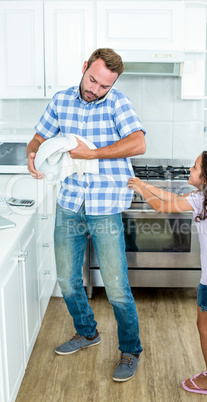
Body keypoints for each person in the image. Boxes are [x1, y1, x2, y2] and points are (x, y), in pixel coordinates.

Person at [27, 48, 146, 382]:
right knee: (65, 278)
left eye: (104, 86)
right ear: (84, 68)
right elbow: (38, 137)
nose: (95, 90)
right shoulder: (61, 100)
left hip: (105, 203)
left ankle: (130, 350)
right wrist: (32, 154)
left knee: (117, 287)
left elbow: (138, 143)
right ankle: (87, 332)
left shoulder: (118, 103)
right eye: (93, 80)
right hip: (69, 200)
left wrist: (93, 153)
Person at [128, 151, 207, 396]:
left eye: (194, 167)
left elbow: (160, 206)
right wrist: (144, 184)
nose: (190, 169)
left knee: (204, 328)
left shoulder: (200, 201)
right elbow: (172, 197)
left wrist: (140, 191)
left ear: (206, 177)